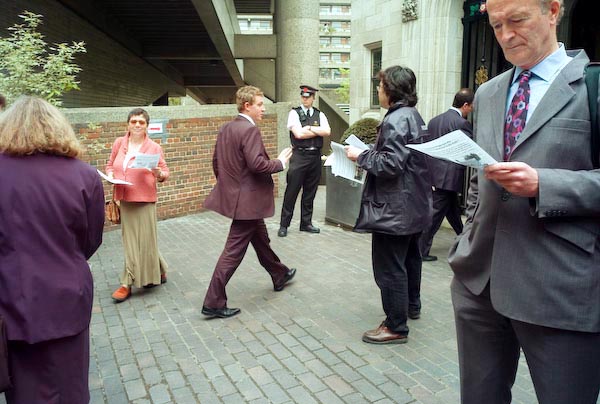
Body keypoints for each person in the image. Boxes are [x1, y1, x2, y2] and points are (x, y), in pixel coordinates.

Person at [448, 0, 600, 403]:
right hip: (478, 281)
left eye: (517, 20)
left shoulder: (593, 86)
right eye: (496, 25)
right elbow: (480, 178)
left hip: (560, 286)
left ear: (553, 11)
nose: (506, 36)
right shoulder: (489, 92)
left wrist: (544, 184)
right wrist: (468, 234)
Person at [0, 96, 104, 403]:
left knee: (25, 390)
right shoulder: (84, 175)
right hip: (66, 296)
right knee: (71, 387)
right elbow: (91, 240)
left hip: (11, 298)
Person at [345, 66, 432, 344]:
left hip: (394, 208)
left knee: (389, 267)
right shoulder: (414, 116)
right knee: (410, 260)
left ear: (391, 90)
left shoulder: (396, 119)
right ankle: (411, 306)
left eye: (380, 86)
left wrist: (360, 156)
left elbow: (391, 163)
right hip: (413, 204)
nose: (378, 90)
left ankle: (396, 326)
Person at [202, 85, 296, 319]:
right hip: (248, 203)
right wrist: (280, 163)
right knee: (232, 252)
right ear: (247, 106)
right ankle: (213, 302)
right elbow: (258, 165)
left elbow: (217, 163)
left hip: (242, 201)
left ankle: (279, 274)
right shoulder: (250, 131)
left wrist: (231, 188)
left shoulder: (226, 128)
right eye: (260, 104)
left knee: (261, 240)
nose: (263, 109)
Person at [106, 108, 169, 303]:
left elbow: (165, 172)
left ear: (147, 126)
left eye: (141, 122)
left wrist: (158, 173)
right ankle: (151, 273)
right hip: (124, 199)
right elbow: (110, 164)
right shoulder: (119, 143)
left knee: (146, 240)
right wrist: (109, 175)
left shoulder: (153, 147)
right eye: (134, 121)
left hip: (144, 200)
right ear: (128, 124)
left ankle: (127, 283)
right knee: (131, 241)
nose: (137, 125)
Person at [420, 88, 474, 262]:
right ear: (465, 105)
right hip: (449, 177)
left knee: (453, 212)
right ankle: (420, 251)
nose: (471, 110)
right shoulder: (462, 124)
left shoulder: (435, 121)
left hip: (435, 175)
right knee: (434, 217)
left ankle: (465, 238)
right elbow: (468, 149)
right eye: (471, 106)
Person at [277, 85, 331, 237]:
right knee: (292, 191)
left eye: (308, 97)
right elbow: (298, 135)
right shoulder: (294, 113)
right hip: (299, 156)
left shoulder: (320, 114)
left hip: (315, 157)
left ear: (313, 98)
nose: (305, 99)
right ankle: (284, 224)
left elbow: (327, 131)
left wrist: (309, 128)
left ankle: (306, 223)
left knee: (310, 192)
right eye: (303, 96)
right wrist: (316, 130)